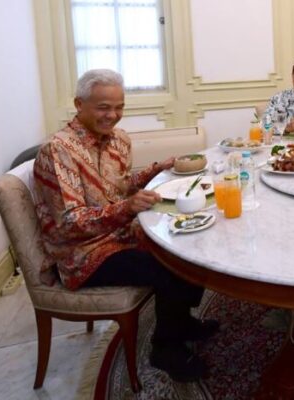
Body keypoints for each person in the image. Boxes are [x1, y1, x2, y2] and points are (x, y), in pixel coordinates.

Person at [33, 69, 218, 382]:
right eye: (103, 107)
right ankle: (166, 349)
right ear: (79, 104)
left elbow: (119, 186)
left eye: (119, 107)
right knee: (169, 266)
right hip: (83, 253)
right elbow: (68, 223)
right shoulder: (58, 151)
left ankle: (181, 320)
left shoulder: (118, 140)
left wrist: (156, 169)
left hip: (118, 233)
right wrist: (125, 209)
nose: (113, 115)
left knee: (189, 241)